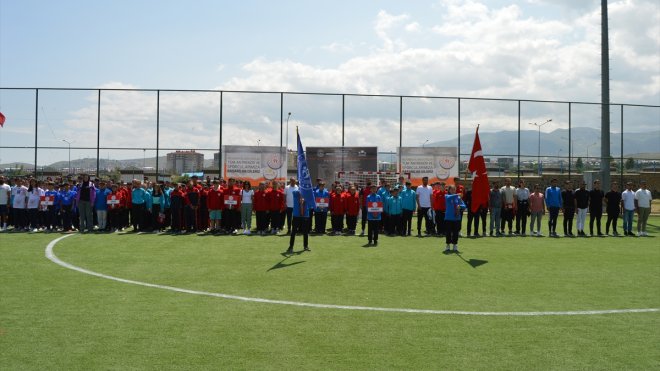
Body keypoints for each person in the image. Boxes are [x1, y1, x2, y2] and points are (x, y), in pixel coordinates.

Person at [286, 188, 311, 254]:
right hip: (296, 215)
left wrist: (304, 196)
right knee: (293, 232)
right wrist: (301, 192)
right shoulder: (296, 193)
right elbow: (294, 192)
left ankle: (305, 246)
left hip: (305, 215)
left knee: (305, 232)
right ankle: (291, 247)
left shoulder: (307, 193)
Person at [444, 185, 466, 253]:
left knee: (456, 233)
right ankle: (447, 245)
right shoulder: (447, 196)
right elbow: (449, 197)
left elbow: (464, 206)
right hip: (448, 218)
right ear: (449, 190)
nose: (453, 191)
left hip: (456, 218)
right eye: (452, 189)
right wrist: (457, 194)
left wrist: (460, 206)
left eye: (454, 189)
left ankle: (455, 245)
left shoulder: (458, 198)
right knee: (448, 232)